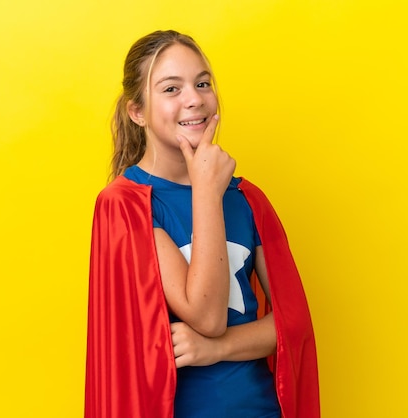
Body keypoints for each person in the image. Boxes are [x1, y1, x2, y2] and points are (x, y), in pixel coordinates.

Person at [85, 30, 319, 418]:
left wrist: (217, 349)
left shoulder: (248, 199)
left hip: (260, 409)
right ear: (137, 111)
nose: (194, 99)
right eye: (171, 89)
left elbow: (294, 324)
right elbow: (206, 315)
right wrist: (208, 193)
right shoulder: (127, 205)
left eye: (202, 83)